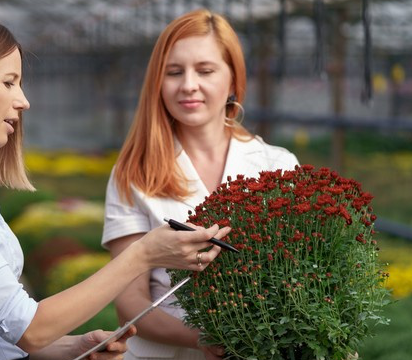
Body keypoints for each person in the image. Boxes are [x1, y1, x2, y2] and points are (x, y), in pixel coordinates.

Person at [0, 14, 231, 360]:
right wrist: (142, 255)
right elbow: (29, 328)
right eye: (8, 82)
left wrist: (72, 347)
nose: (23, 100)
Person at [102, 8, 299, 360]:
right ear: (157, 83)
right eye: (174, 72)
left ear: (233, 80)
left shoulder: (278, 165)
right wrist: (202, 339)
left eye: (205, 70)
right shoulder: (134, 172)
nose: (188, 84)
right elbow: (130, 301)